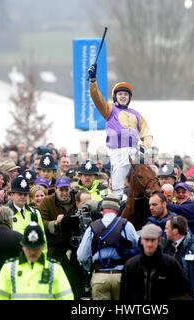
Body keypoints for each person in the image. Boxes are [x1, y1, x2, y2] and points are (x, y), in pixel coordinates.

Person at [88, 64, 152, 198]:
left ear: (129, 97)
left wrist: (143, 148)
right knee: (118, 189)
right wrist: (93, 81)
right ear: (115, 97)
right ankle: (116, 207)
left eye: (126, 94)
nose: (123, 96)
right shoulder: (109, 110)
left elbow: (147, 134)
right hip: (117, 153)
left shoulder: (137, 114)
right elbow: (96, 98)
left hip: (134, 153)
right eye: (120, 94)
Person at [0, 222, 73, 300]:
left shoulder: (55, 269)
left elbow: (67, 297)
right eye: (29, 248)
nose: (32, 252)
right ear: (23, 246)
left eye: (36, 248)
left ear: (42, 247)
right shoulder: (8, 269)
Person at [77, 196, 138, 300]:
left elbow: (82, 256)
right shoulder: (126, 225)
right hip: (121, 277)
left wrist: (90, 268)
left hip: (100, 276)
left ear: (102, 209)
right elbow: (137, 249)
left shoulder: (92, 227)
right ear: (118, 210)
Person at [39, 176, 86, 299]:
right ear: (55, 189)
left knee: (74, 281)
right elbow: (41, 222)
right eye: (61, 190)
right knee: (56, 281)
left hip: (74, 247)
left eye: (67, 189)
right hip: (55, 248)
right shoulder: (47, 201)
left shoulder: (75, 200)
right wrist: (54, 223)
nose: (64, 193)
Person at [120, 224, 191, 300]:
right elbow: (124, 294)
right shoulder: (131, 265)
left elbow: (183, 292)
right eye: (147, 240)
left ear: (159, 241)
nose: (149, 244)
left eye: (153, 240)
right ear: (141, 241)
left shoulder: (170, 264)